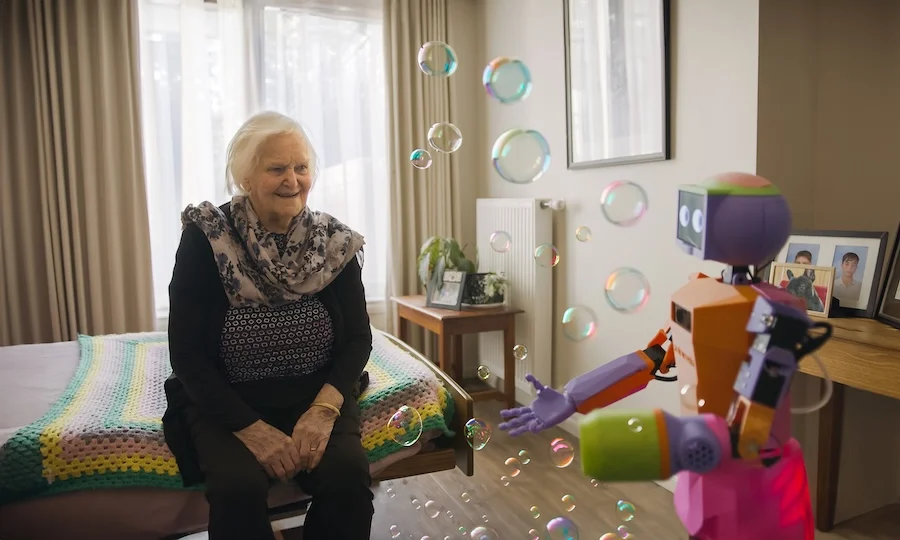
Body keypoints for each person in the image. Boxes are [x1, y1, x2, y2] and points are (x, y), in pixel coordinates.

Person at [161, 111, 374, 540]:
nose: (292, 180)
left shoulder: (334, 243)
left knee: (348, 479)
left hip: (315, 394)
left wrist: (323, 410)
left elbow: (357, 339)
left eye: (301, 167)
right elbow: (186, 354)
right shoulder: (207, 239)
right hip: (229, 400)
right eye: (276, 168)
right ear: (244, 177)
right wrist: (253, 431)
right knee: (237, 489)